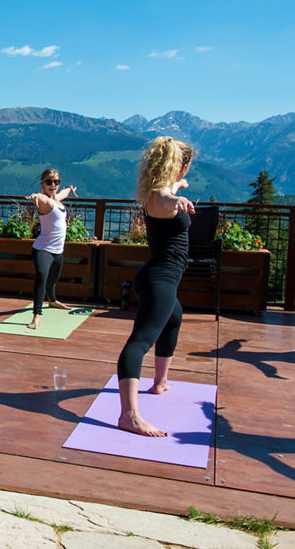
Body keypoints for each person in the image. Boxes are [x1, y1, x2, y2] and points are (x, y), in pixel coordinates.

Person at [116, 136, 195, 437]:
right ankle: (129, 416)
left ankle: (160, 383)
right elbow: (166, 199)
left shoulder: (157, 190)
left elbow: (168, 190)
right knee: (140, 342)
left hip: (157, 277)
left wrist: (179, 187)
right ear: (178, 165)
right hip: (160, 281)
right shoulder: (162, 198)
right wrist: (178, 200)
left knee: (174, 317)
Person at [25, 168, 78, 330]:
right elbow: (40, 197)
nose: (53, 185)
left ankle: (53, 301)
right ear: (42, 183)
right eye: (49, 182)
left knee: (53, 279)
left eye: (56, 182)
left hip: (58, 251)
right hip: (43, 250)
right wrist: (35, 196)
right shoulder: (46, 201)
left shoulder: (57, 199)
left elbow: (63, 193)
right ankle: (36, 316)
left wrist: (69, 188)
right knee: (42, 277)